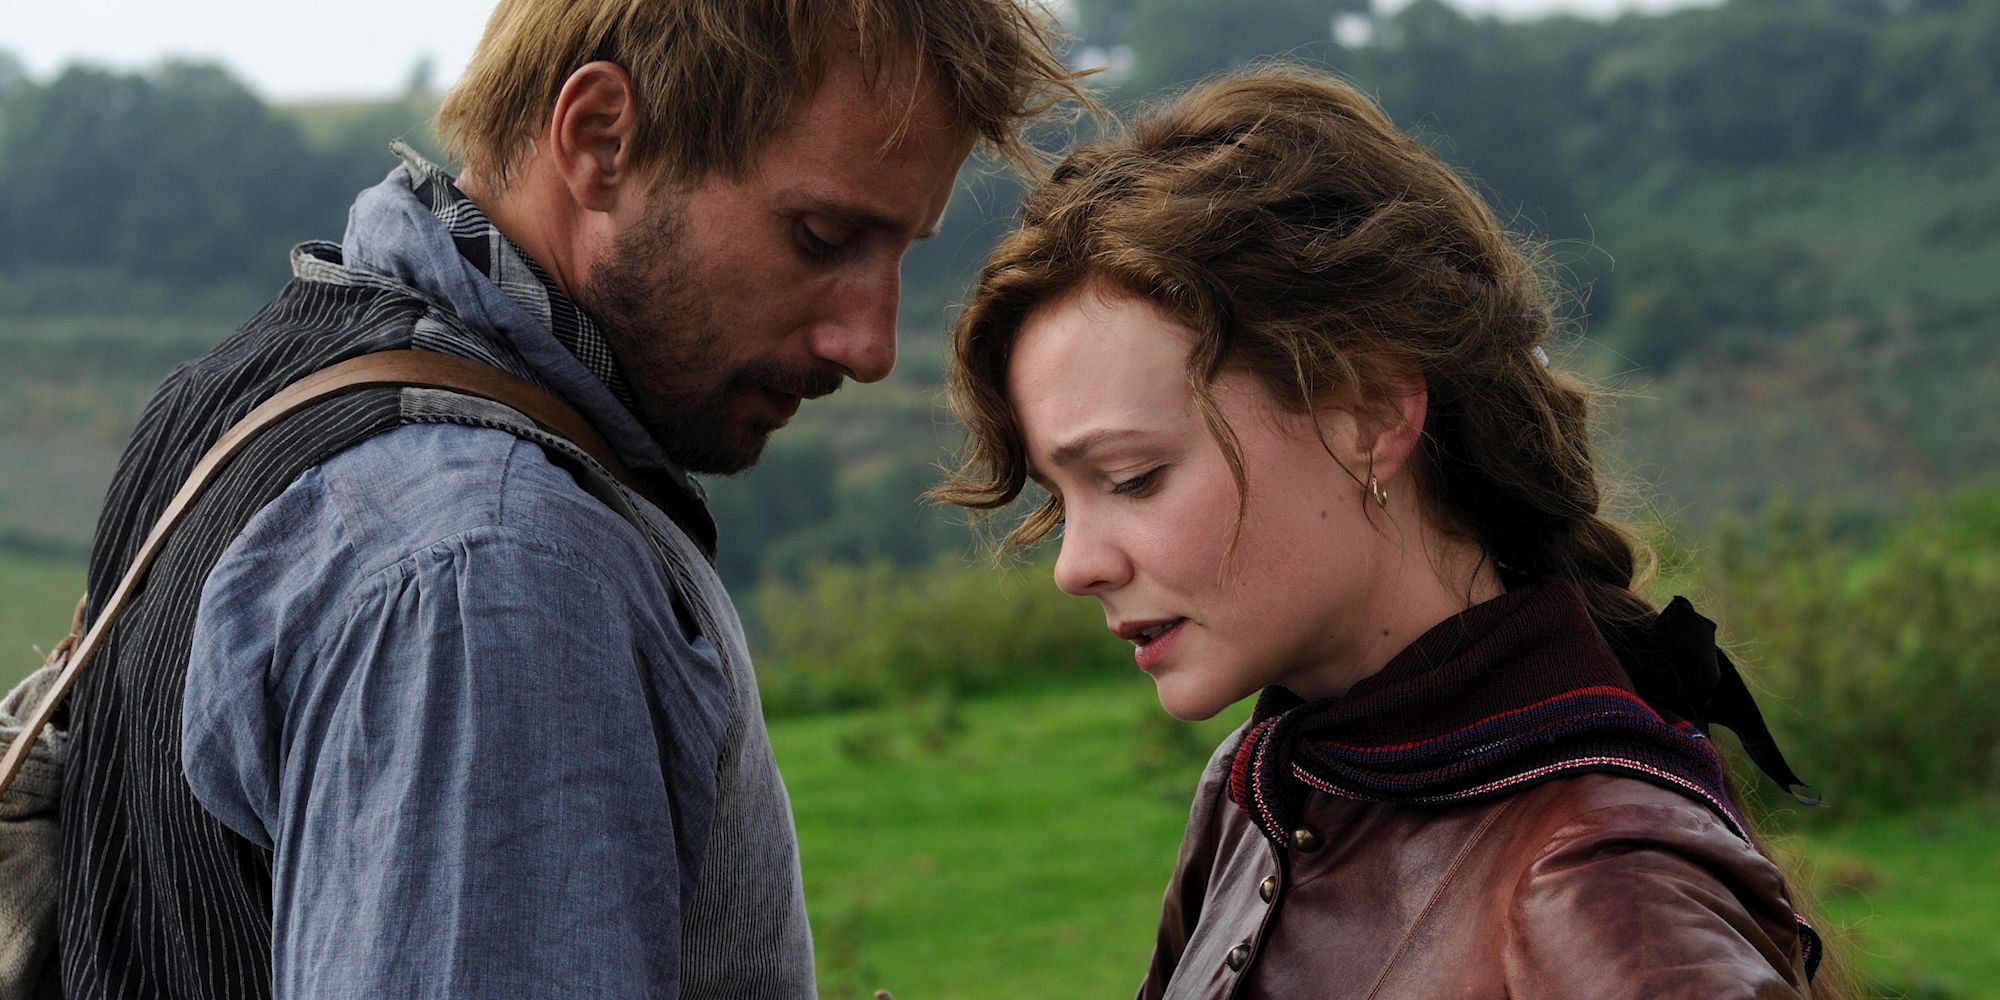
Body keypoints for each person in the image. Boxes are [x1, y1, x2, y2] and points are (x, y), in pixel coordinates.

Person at [53, 2, 1084, 997]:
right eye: (819, 236)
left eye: (901, 253)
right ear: (598, 139)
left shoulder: (235, 393)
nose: (867, 344)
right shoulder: (496, 568)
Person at [936, 66, 1829, 998]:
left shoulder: (1600, 889)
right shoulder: (1266, 788)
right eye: (1061, 498)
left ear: (1367, 417)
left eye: (1133, 478)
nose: (1075, 566)